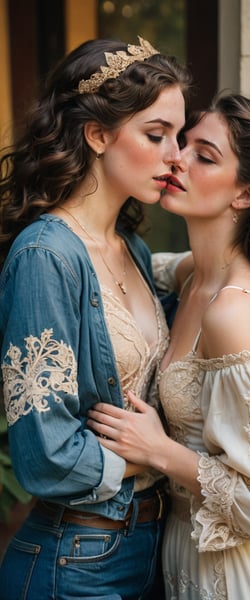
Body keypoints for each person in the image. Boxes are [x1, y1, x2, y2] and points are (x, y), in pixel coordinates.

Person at [0, 35, 191, 600]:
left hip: (147, 546)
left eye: (179, 137)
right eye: (156, 135)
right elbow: (45, 456)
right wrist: (156, 457)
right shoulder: (43, 256)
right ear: (98, 134)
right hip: (76, 563)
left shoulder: (128, 246)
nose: (175, 155)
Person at [87, 93, 250, 599]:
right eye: (182, 143)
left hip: (237, 575)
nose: (176, 158)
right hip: (179, 553)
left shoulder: (233, 310)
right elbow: (125, 267)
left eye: (204, 156)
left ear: (245, 194)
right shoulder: (193, 277)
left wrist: (159, 450)